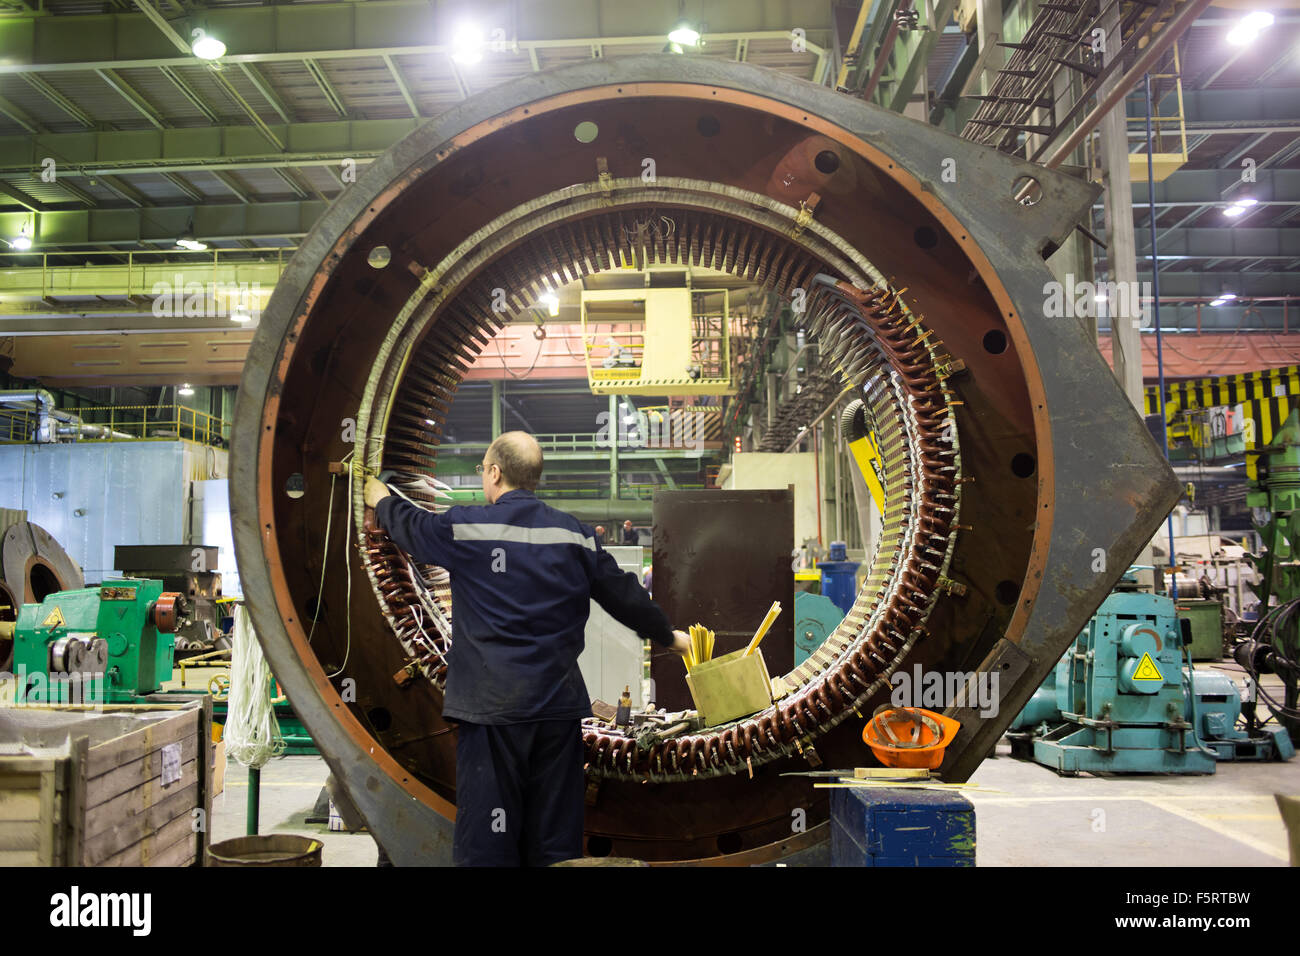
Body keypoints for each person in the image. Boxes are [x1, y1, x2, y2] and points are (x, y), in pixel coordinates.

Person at [364, 431, 690, 866]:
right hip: (556, 712)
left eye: (483, 468)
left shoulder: (469, 527)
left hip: (493, 715)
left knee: (488, 841)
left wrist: (381, 499)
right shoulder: (574, 536)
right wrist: (669, 635)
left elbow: (414, 529)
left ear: (495, 472)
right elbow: (623, 594)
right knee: (554, 842)